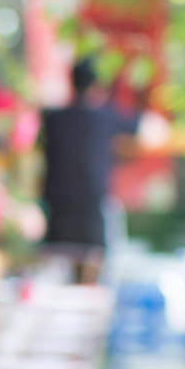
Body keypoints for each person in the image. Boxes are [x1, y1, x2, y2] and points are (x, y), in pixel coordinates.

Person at [38, 58, 139, 281]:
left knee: (60, 265)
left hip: (57, 205)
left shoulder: (52, 117)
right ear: (97, 86)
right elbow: (151, 127)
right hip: (93, 203)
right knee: (94, 263)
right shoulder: (106, 117)